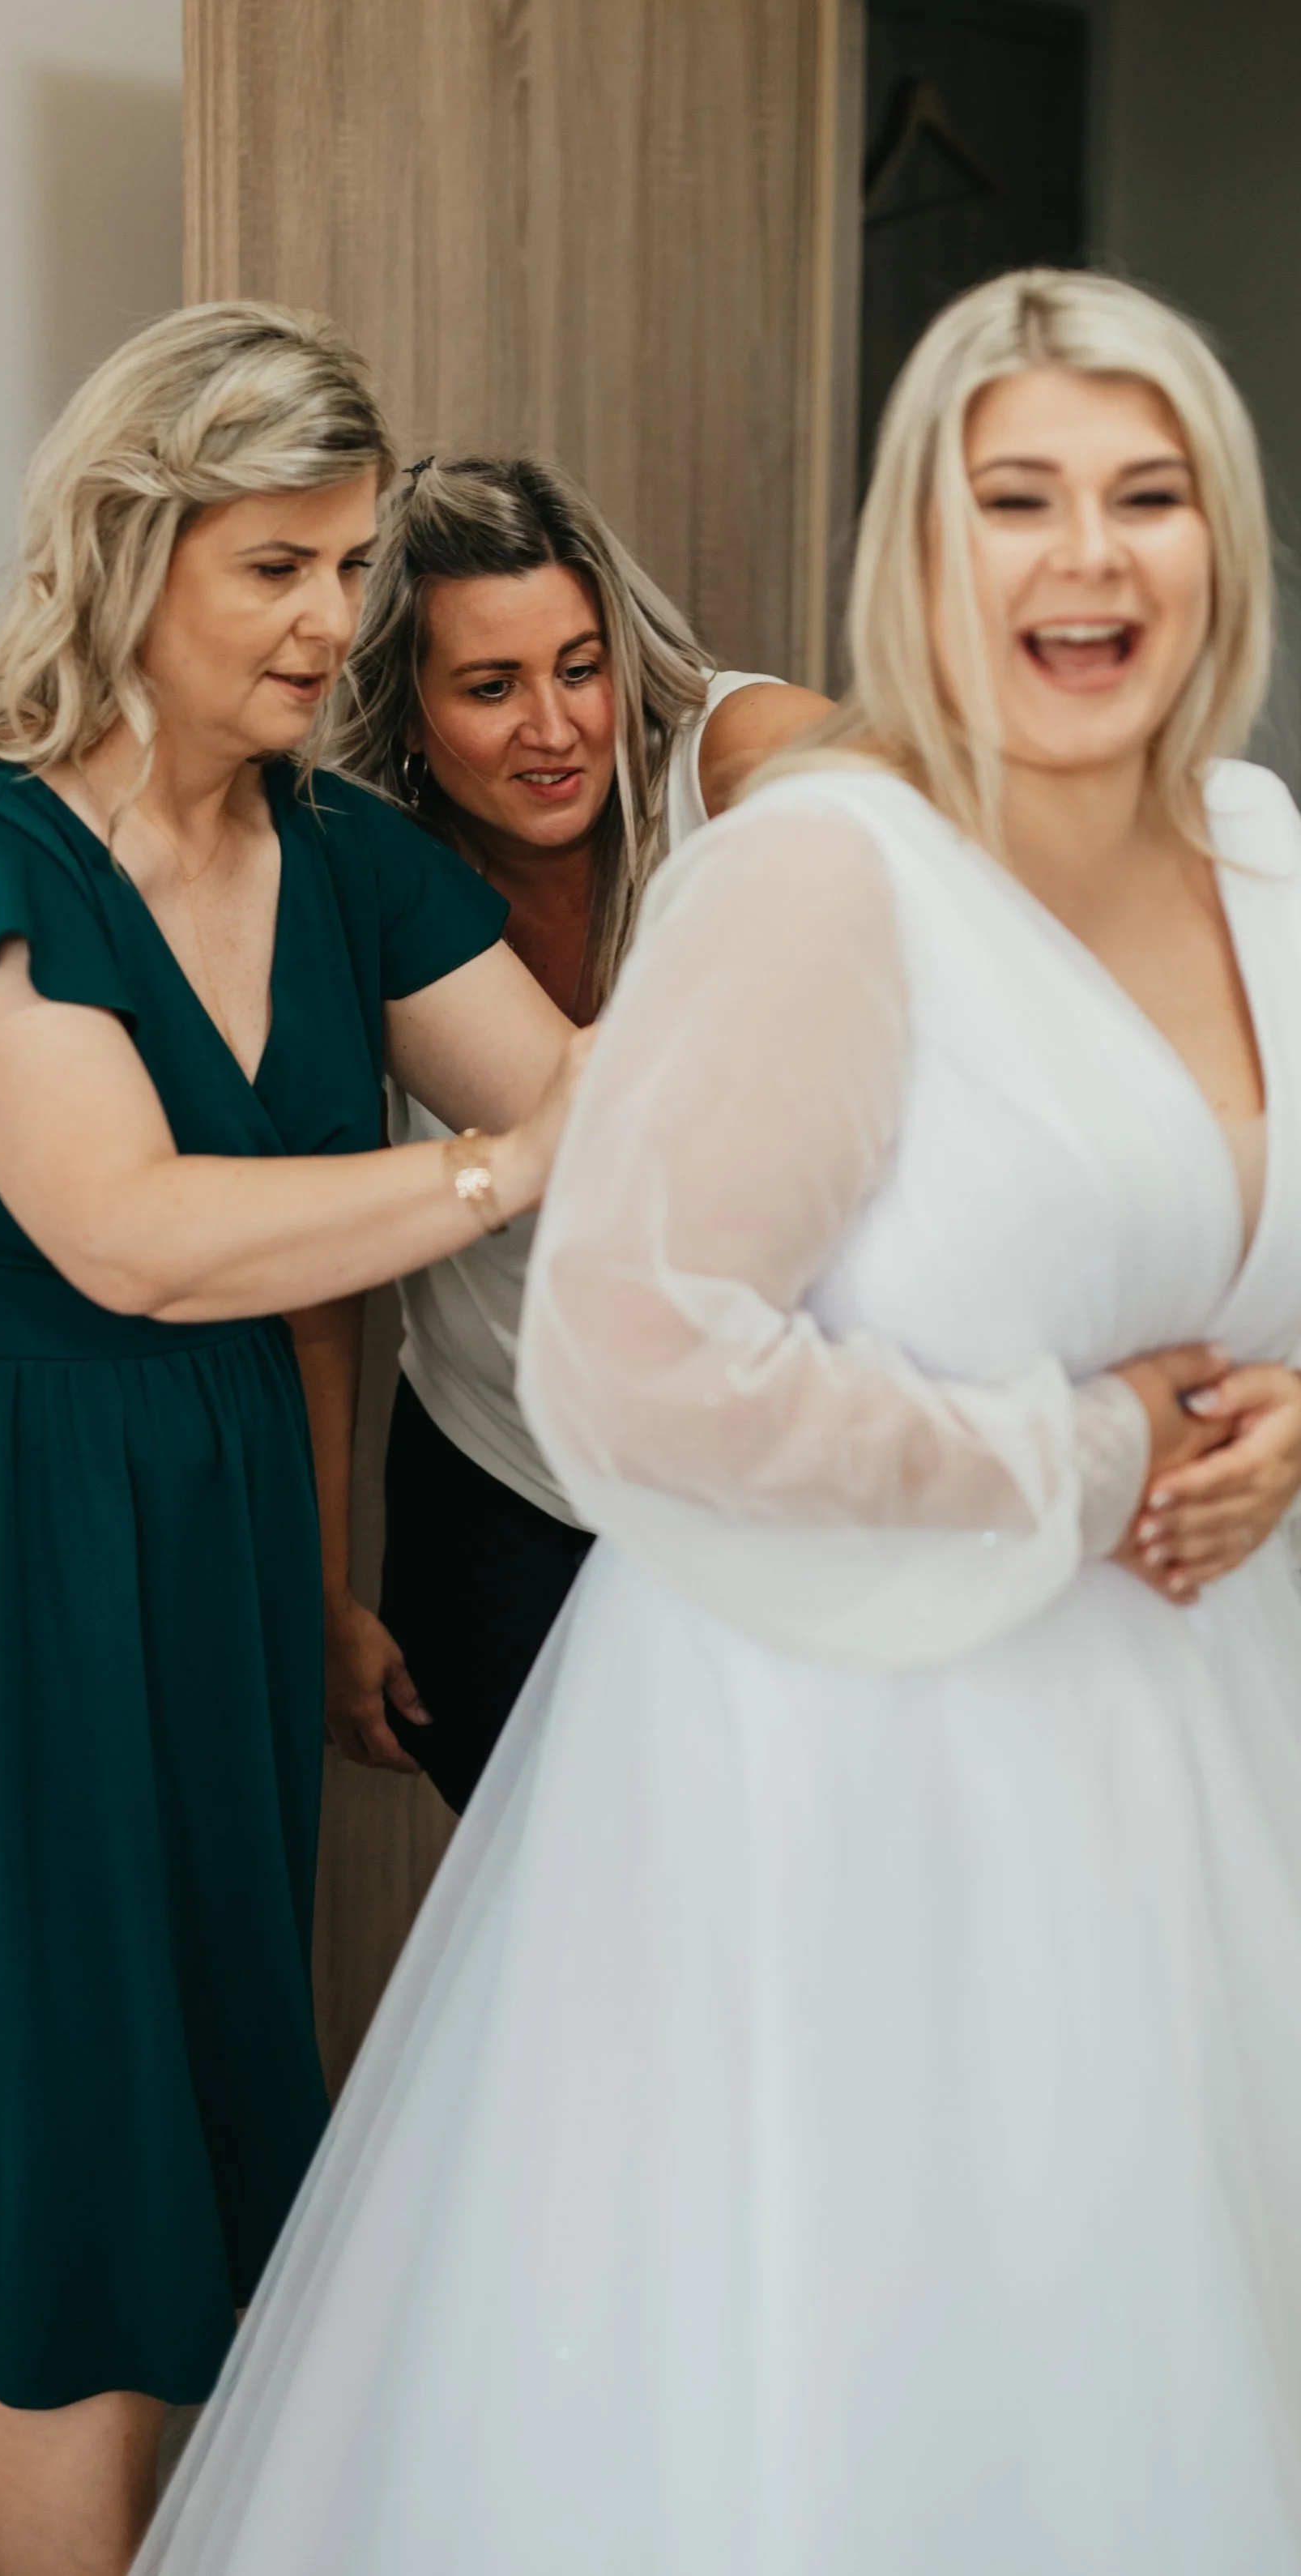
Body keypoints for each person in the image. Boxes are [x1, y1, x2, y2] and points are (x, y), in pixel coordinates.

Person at [136, 268, 1301, 2576]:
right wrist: (1084, 1460)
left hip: (1201, 1742)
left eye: (1144, 493)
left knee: (1174, 2335)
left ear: (1226, 532)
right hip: (838, 1726)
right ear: (922, 542)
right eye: (1013, 497)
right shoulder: (823, 865)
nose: (1083, 554)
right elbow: (625, 1348)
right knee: (836, 2330)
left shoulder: (1250, 842)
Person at [0, 304, 586, 2576]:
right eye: (275, 566)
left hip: (202, 1531)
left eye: (349, 567)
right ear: (127, 543)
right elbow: (135, 1237)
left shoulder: (343, 855)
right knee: (74, 2195)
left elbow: (600, 1108)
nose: (331, 623)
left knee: (126, 2165)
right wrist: (495, 1172)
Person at [326, 455, 825, 1806]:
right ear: (408, 710)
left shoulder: (733, 761)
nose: (554, 729)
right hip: (505, 1481)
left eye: (580, 669)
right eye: (491, 688)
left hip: (762, 1478)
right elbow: (326, 1275)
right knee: (538, 1904)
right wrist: (323, 1588)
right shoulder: (359, 879)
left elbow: (941, 828)